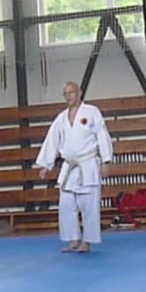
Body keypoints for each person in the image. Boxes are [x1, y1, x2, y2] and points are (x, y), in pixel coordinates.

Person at [36, 81, 113, 253]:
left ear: (80, 93)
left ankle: (88, 240)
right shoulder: (61, 118)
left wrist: (106, 160)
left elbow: (102, 136)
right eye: (65, 93)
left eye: (71, 92)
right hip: (69, 167)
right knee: (66, 205)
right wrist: (46, 164)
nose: (68, 96)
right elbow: (52, 140)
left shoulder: (92, 112)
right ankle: (73, 238)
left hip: (88, 165)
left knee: (89, 205)